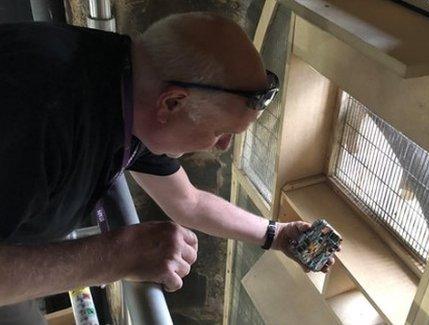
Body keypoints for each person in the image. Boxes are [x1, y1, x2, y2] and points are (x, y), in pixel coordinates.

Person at [0, 12, 336, 323]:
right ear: (172, 103)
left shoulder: (130, 85)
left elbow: (188, 202)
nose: (221, 148)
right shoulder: (40, 115)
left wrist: (275, 234)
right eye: (221, 132)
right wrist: (117, 256)